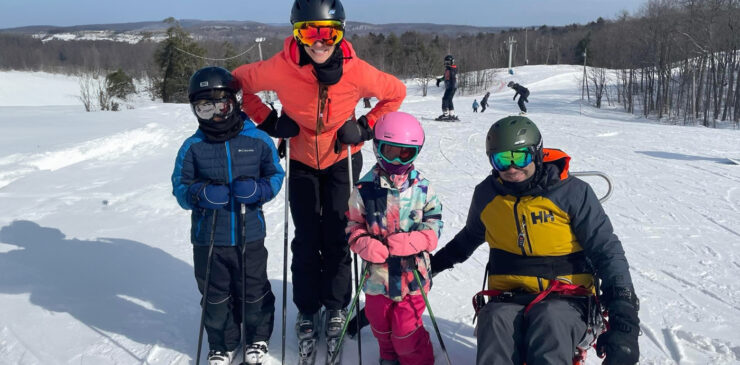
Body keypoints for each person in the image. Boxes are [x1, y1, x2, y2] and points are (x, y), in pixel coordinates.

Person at [232, 0, 406, 357]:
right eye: (309, 32)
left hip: (343, 160)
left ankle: (337, 305)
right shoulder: (280, 67)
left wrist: (364, 127)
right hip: (301, 162)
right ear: (297, 34)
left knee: (341, 235)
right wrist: (268, 122)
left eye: (329, 33)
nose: (319, 42)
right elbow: (239, 84)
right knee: (307, 237)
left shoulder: (356, 71)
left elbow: (395, 93)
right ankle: (308, 310)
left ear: (340, 33)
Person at [431, 116, 640, 365]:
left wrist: (624, 317)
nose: (511, 168)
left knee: (550, 318)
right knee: (494, 319)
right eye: (501, 160)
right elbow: (467, 240)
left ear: (537, 153)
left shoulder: (572, 193)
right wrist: (431, 266)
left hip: (568, 298)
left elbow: (606, 251)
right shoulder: (487, 195)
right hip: (508, 295)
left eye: (520, 157)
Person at [171, 66, 285, 365]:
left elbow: (275, 175)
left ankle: (257, 337)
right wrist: (201, 194)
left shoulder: (258, 140)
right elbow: (181, 189)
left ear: (234, 101)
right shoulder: (192, 147)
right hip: (209, 238)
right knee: (215, 295)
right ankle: (223, 342)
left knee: (253, 288)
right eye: (204, 108)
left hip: (250, 233)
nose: (215, 114)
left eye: (222, 105)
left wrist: (258, 190)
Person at [346, 112, 442, 365]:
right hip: (377, 276)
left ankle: (417, 360)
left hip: (413, 277)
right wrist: (362, 242)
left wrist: (419, 239)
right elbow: (353, 224)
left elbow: (435, 221)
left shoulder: (422, 188)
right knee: (379, 323)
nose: (397, 159)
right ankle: (388, 356)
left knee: (405, 330)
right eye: (390, 151)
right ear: (378, 148)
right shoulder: (364, 189)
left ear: (416, 152)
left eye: (405, 153)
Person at [435, 55, 458, 121]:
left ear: (452, 62)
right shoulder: (448, 69)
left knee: (445, 99)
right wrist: (439, 80)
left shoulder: (452, 69)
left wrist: (450, 68)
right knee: (449, 100)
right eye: (445, 62)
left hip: (451, 87)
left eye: (448, 62)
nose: (446, 64)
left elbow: (454, 73)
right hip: (450, 87)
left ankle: (446, 115)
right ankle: (451, 114)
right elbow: (445, 77)